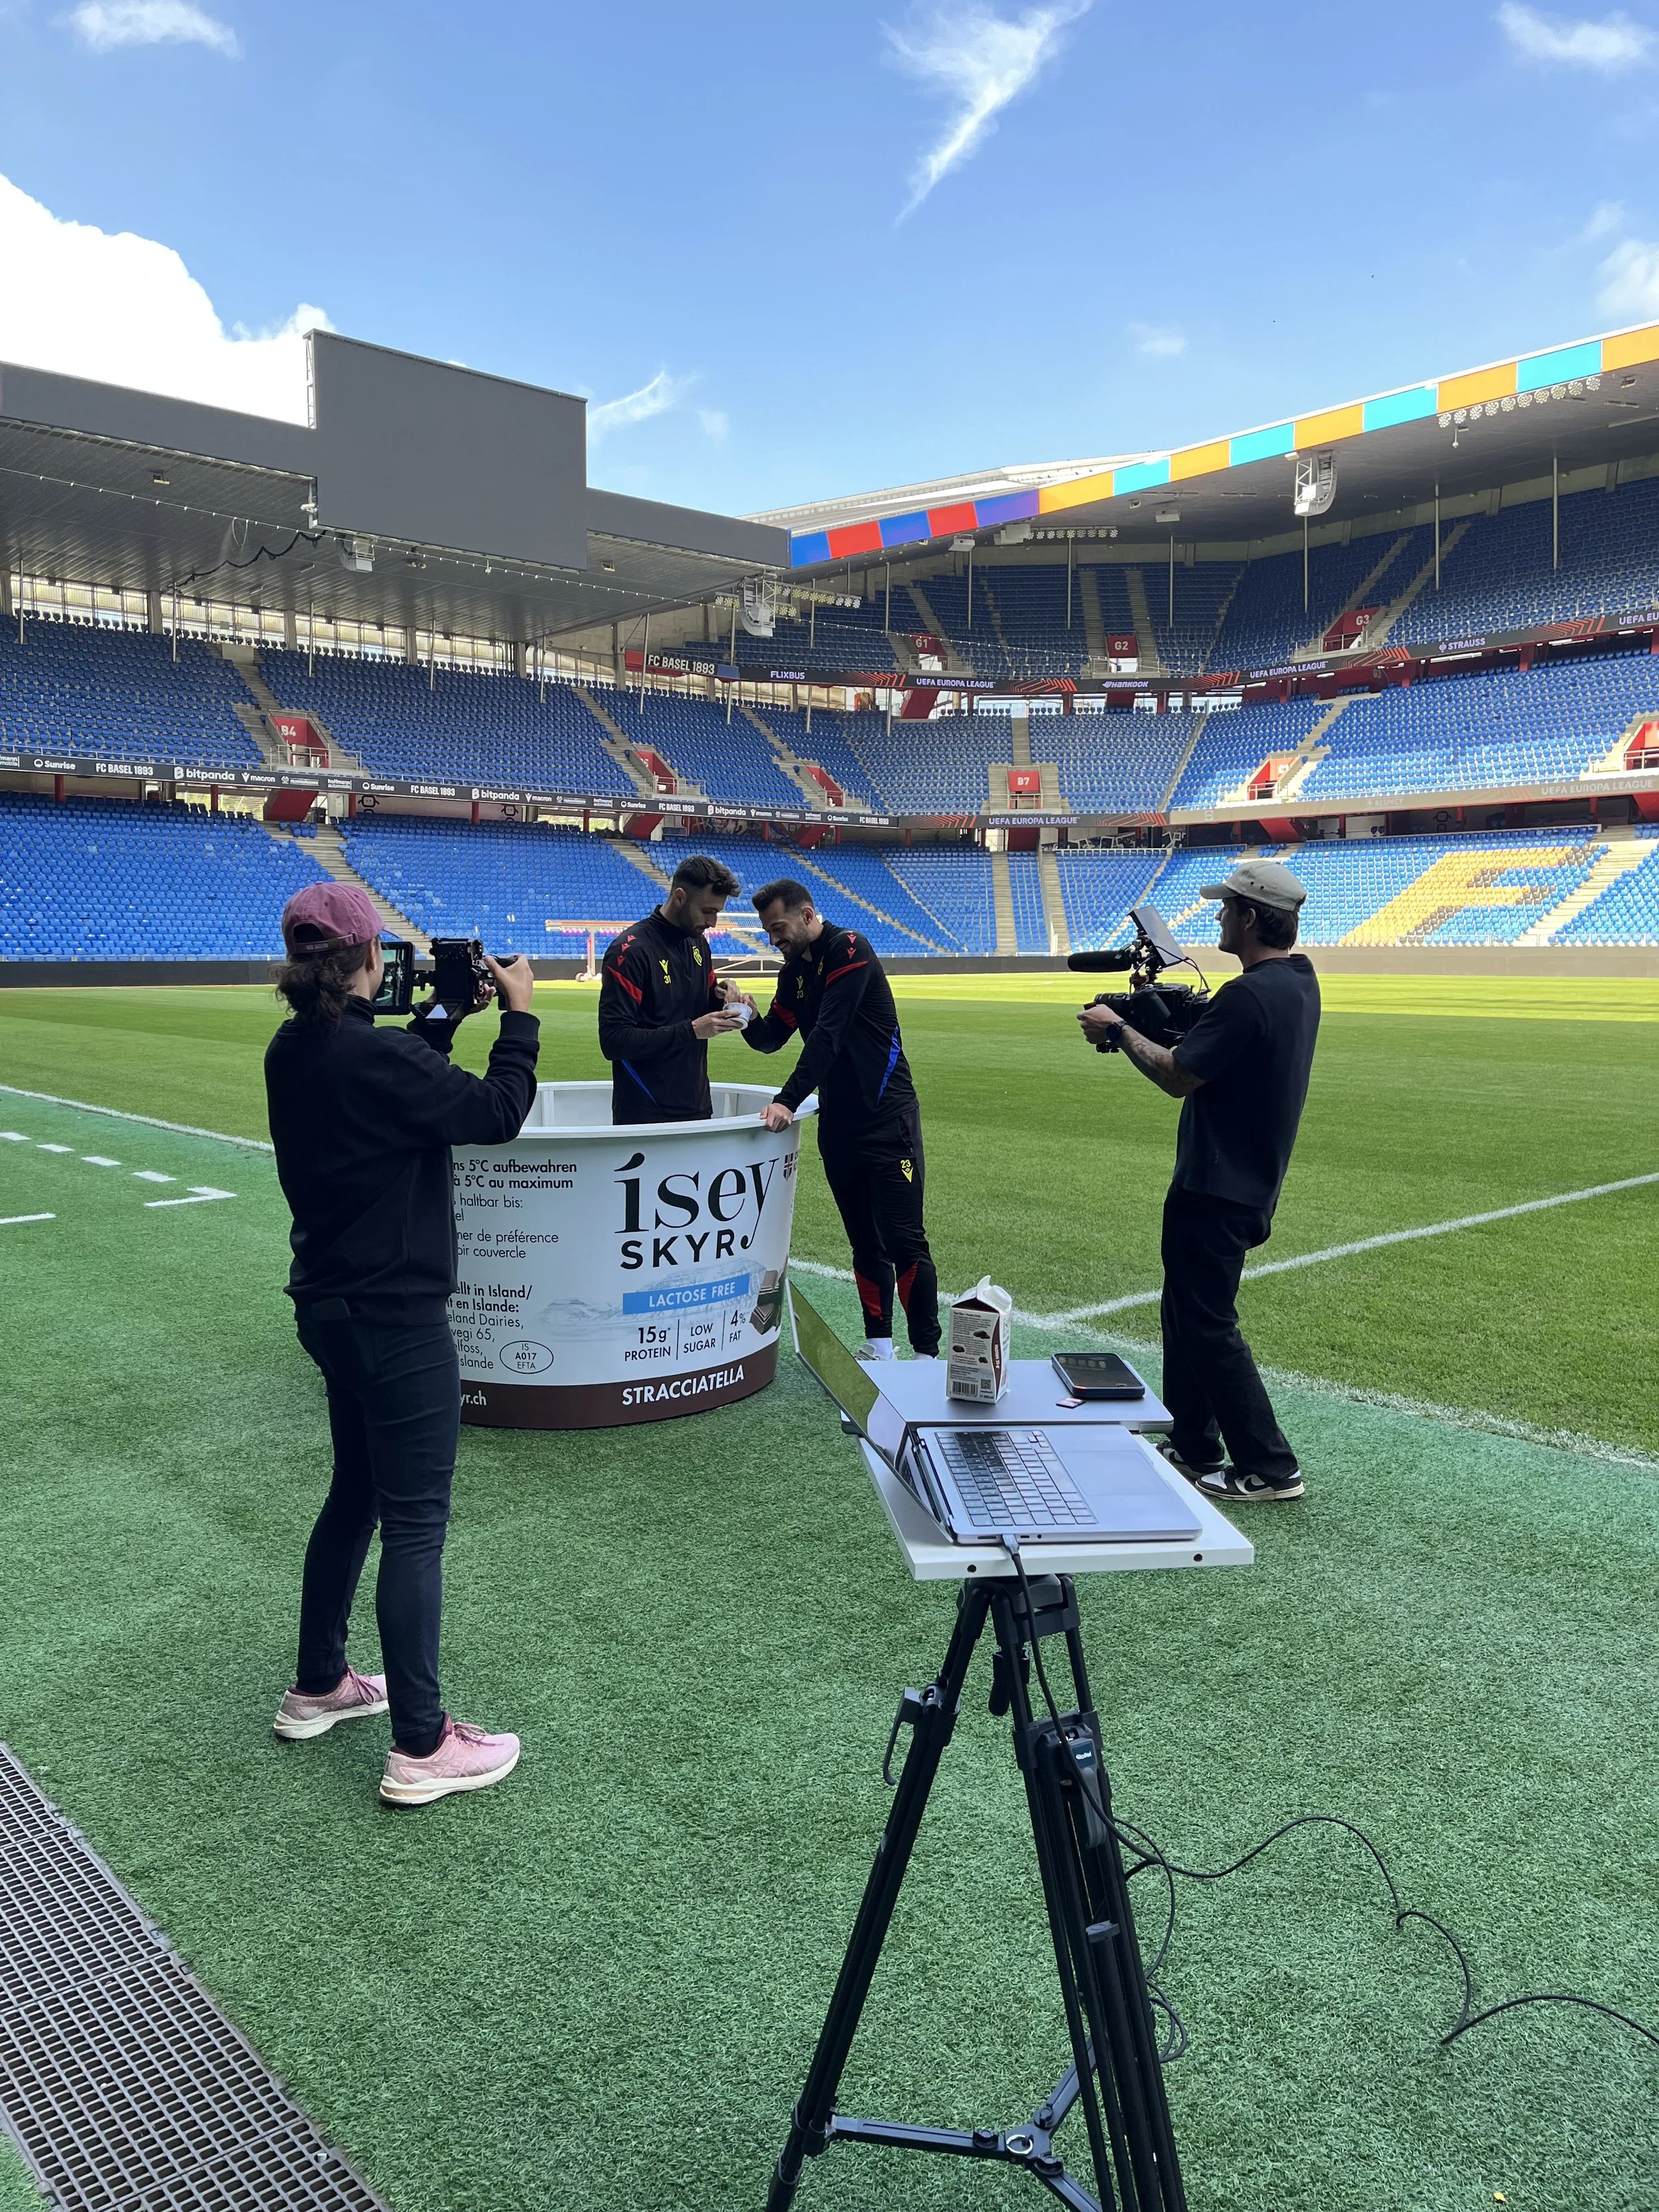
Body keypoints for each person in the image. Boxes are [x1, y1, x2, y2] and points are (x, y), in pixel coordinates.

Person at [265, 882, 540, 1806]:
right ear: (366, 958)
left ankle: (320, 1684)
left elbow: (389, 1090)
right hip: (397, 1318)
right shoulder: (371, 1060)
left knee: (355, 1495)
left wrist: (438, 1020)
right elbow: (496, 1111)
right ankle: (423, 1745)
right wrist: (520, 1016)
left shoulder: (297, 1048)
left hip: (330, 1309)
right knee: (416, 1524)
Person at [1080, 858, 1320, 1505]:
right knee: (1184, 1314)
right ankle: (1192, 1446)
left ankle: (1271, 1468)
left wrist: (1119, 1028)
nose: (1217, 917)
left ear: (1247, 916)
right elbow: (1220, 1043)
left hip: (1217, 1188)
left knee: (1207, 1323)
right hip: (1243, 1181)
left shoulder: (1247, 995)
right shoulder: (1295, 982)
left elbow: (1179, 1074)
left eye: (1225, 908)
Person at [745, 878, 940, 1362]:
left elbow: (827, 1037)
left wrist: (787, 1099)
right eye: (769, 932)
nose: (775, 939)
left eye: (780, 928)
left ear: (808, 915)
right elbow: (771, 1037)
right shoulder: (793, 973)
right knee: (863, 1240)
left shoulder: (850, 948)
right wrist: (743, 1013)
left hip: (887, 1118)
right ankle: (879, 1347)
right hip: (839, 1125)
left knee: (904, 1239)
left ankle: (926, 1355)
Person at [597, 852, 747, 1124]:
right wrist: (692, 1031)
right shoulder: (630, 951)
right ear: (679, 897)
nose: (713, 922)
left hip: (698, 1107)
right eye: (707, 911)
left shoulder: (699, 943)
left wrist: (725, 999)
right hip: (646, 1114)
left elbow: (695, 1006)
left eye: (717, 912)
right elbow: (614, 1041)